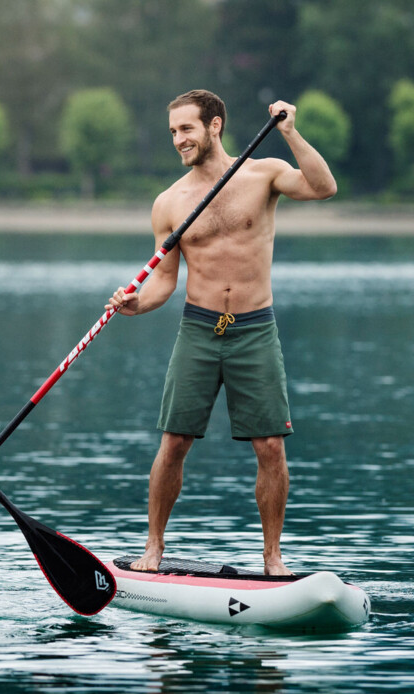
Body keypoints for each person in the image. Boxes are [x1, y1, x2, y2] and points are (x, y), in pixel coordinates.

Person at [107, 90, 337, 575]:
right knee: (173, 442)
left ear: (215, 126)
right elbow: (164, 282)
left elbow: (323, 187)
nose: (178, 139)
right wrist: (135, 304)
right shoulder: (170, 203)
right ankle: (153, 548)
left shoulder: (264, 173)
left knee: (270, 447)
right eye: (172, 131)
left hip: (255, 328)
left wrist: (290, 131)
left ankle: (272, 558)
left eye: (186, 128)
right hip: (199, 328)